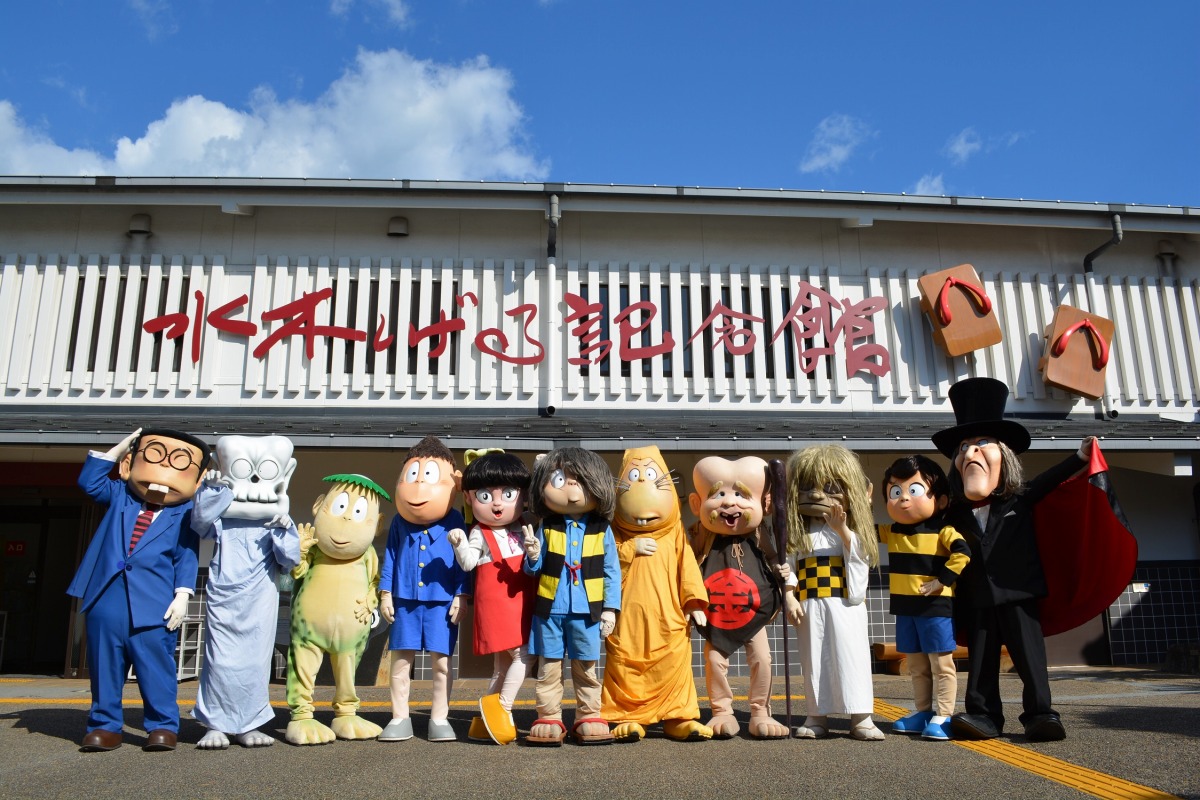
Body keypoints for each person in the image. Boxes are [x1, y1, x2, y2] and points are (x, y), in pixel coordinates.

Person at [932, 377, 1093, 742]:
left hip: (1020, 593)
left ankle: (1040, 713)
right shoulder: (954, 513)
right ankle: (984, 715)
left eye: (981, 443)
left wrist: (1081, 457)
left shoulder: (1019, 500)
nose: (970, 452)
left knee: (1030, 659)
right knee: (982, 660)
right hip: (977, 597)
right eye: (963, 447)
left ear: (1003, 455)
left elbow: (1052, 480)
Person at [67, 427, 209, 752]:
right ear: (129, 464)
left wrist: (184, 594)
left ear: (197, 480)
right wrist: (118, 450)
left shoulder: (186, 513)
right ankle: (105, 726)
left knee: (156, 666)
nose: (163, 473)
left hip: (154, 602)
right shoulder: (121, 496)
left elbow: (186, 555)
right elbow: (89, 483)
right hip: (107, 595)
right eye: (155, 456)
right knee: (105, 665)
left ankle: (162, 726)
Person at [190, 434, 301, 750]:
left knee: (255, 662)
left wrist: (283, 530)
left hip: (260, 599)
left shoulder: (274, 519)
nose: (253, 478)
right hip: (224, 595)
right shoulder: (224, 516)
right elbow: (199, 523)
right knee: (219, 660)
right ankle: (215, 724)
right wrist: (213, 489)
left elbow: (290, 560)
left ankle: (249, 724)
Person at [601, 446, 711, 743]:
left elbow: (686, 564)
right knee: (625, 663)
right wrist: (628, 550)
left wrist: (693, 602)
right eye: (633, 476)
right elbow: (604, 563)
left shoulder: (674, 531)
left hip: (669, 616)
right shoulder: (615, 533)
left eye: (651, 475)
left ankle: (678, 717)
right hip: (628, 619)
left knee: (674, 662)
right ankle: (627, 717)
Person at [782, 444, 884, 741]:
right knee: (813, 658)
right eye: (808, 487)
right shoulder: (797, 531)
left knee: (852, 657)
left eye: (829, 488)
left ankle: (861, 717)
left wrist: (842, 530)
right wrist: (789, 595)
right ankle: (817, 716)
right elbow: (789, 566)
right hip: (809, 603)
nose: (816, 495)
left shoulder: (849, 530)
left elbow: (860, 559)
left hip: (844, 604)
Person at [522, 447, 621, 746]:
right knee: (549, 668)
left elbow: (611, 571)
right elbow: (533, 570)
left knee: (586, 666)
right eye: (560, 479)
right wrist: (533, 554)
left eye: (580, 479)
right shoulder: (547, 526)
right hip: (549, 609)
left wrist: (610, 609)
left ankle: (588, 715)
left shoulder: (601, 528)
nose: (571, 486)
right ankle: (549, 716)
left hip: (588, 610)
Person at [687, 455, 790, 739]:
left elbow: (772, 558)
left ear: (765, 504)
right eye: (719, 494)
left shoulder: (760, 532)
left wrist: (783, 573)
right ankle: (722, 711)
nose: (730, 503)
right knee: (714, 660)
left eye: (741, 494)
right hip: (717, 612)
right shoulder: (701, 535)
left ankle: (760, 711)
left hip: (753, 610)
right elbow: (687, 565)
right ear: (697, 504)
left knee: (762, 659)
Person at [378, 435, 468, 743]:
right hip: (404, 601)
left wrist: (461, 594)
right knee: (401, 661)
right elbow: (389, 556)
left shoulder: (456, 520)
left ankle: (439, 718)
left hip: (441, 602)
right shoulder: (399, 523)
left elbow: (464, 561)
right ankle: (400, 716)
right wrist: (385, 592)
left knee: (441, 663)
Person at [877, 454, 970, 741]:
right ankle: (922, 711)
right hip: (905, 608)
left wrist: (941, 582)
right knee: (916, 664)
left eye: (913, 490)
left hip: (936, 607)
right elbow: (861, 533)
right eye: (895, 492)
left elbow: (963, 553)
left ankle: (943, 715)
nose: (903, 498)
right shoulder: (891, 531)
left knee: (941, 664)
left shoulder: (944, 530)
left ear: (940, 500)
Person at [447, 451, 536, 745]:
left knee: (502, 665)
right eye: (485, 495)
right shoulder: (479, 533)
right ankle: (503, 706)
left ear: (522, 496)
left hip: (522, 601)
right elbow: (469, 563)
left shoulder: (525, 526)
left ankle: (483, 722)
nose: (497, 503)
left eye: (507, 493)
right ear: (470, 499)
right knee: (524, 655)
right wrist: (460, 545)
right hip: (497, 603)